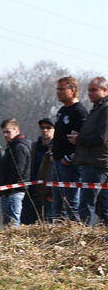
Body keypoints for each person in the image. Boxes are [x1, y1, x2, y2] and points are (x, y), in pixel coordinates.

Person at [69, 77, 108, 226]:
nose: (90, 93)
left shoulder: (105, 109)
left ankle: (84, 237)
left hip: (96, 163)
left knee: (87, 204)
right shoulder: (98, 108)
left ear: (105, 91)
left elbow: (101, 138)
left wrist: (79, 140)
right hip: (95, 162)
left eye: (94, 90)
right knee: (101, 206)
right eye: (89, 90)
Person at [52, 76, 88, 221]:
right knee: (57, 203)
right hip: (56, 162)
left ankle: (74, 232)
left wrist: (70, 158)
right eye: (57, 89)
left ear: (72, 90)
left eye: (62, 89)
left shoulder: (79, 112)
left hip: (69, 165)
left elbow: (83, 140)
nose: (58, 92)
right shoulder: (61, 110)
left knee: (71, 203)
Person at [0, 119, 31, 228]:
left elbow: (18, 171)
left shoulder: (19, 147)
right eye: (3, 132)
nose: (5, 135)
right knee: (7, 223)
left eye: (8, 132)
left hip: (15, 191)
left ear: (16, 131)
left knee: (13, 222)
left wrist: (8, 188)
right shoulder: (11, 146)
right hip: (8, 190)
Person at [25, 118, 55, 223]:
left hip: (48, 195)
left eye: (48, 128)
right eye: (42, 128)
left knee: (46, 227)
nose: (45, 130)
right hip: (32, 192)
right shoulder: (34, 146)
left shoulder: (57, 149)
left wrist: (52, 193)